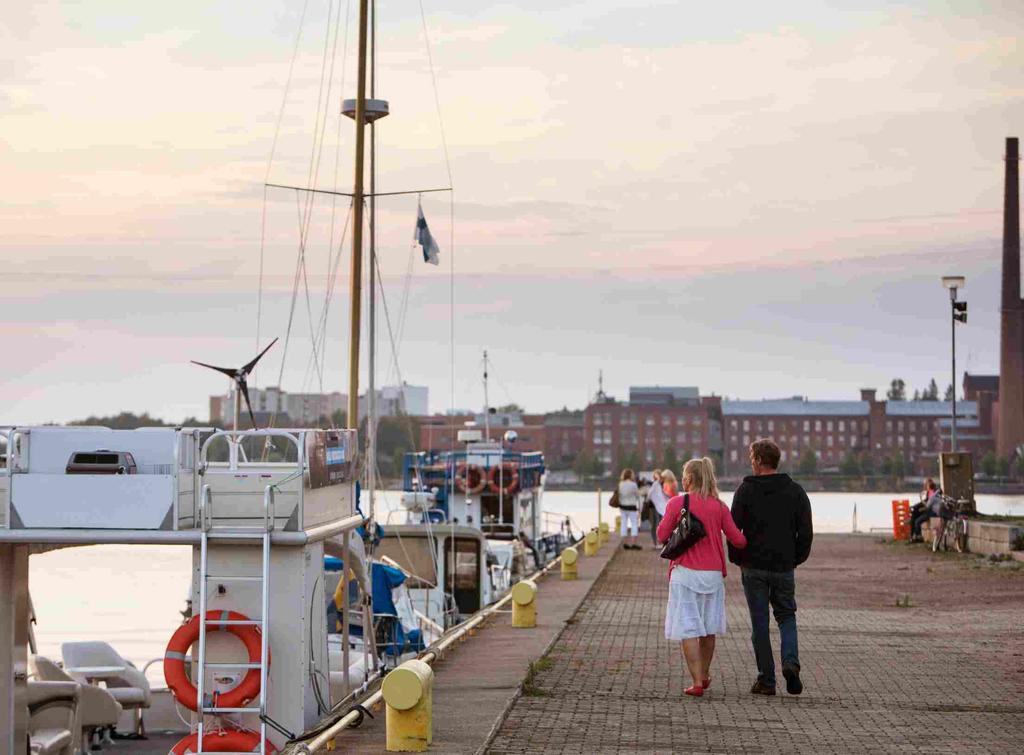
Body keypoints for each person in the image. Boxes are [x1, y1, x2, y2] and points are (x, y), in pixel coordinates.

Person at [729, 438, 813, 696]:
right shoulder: (795, 491)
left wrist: (737, 557)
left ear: (756, 461)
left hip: (753, 567)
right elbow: (806, 532)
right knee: (787, 616)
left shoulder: (745, 490)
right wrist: (795, 558)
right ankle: (790, 663)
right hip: (783, 566)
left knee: (760, 624)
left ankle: (767, 680)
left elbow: (733, 530)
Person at [657, 457, 746, 698]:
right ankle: (704, 674)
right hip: (712, 576)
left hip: (685, 574)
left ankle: (696, 682)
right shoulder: (719, 506)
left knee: (688, 628)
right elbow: (738, 540)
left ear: (688, 479)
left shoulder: (677, 503)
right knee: (708, 629)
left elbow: (661, 534)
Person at [617, 468, 641, 550]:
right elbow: (638, 496)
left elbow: (619, 495)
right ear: (631, 475)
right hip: (632, 506)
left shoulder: (621, 484)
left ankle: (625, 543)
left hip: (622, 506)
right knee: (634, 524)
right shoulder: (633, 484)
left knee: (624, 524)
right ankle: (634, 543)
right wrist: (640, 508)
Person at [646, 469, 669, 547]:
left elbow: (664, 496)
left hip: (662, 507)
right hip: (653, 508)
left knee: (661, 524)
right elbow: (650, 495)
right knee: (655, 525)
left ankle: (660, 541)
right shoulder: (654, 484)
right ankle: (656, 542)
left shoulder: (663, 484)